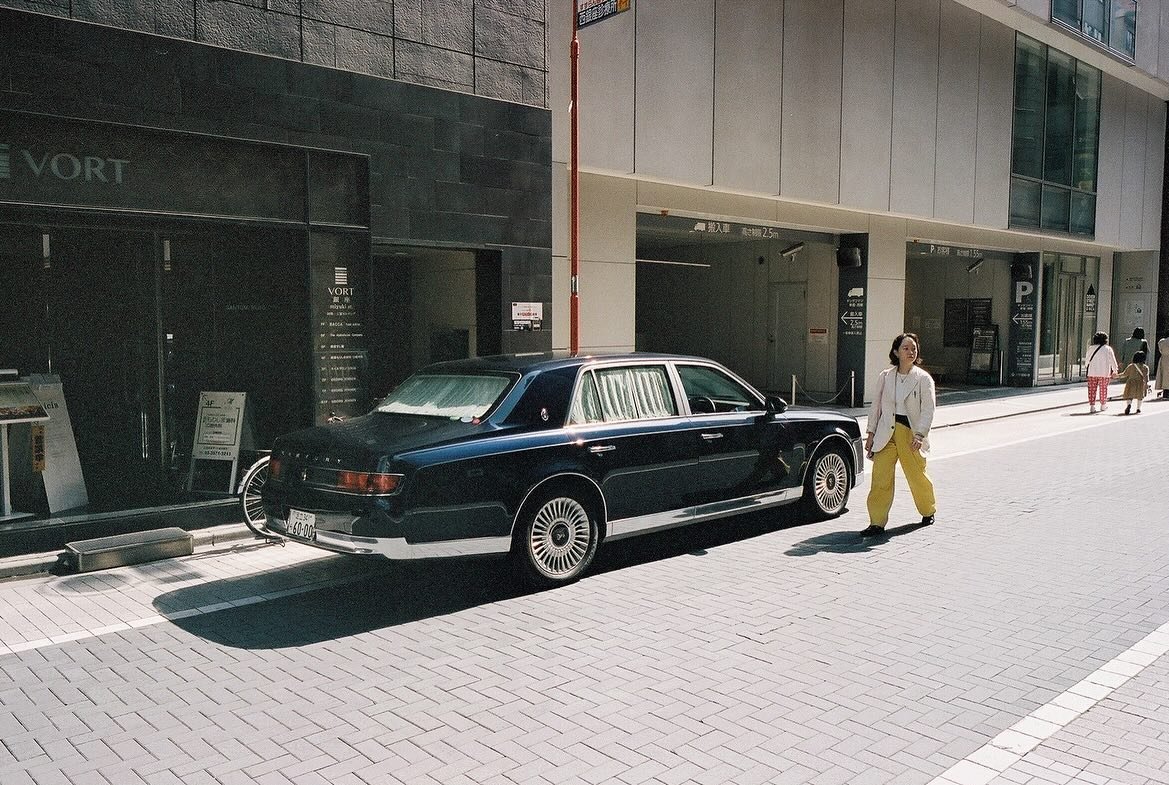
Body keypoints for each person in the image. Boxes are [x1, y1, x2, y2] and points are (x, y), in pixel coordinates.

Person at [861, 333, 936, 537]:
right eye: (906, 348)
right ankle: (876, 522)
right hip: (886, 431)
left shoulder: (923, 379)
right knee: (880, 478)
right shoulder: (886, 376)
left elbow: (928, 409)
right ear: (896, 352)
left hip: (910, 433)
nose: (911, 352)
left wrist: (920, 435)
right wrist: (871, 433)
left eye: (914, 348)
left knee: (916, 475)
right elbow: (875, 407)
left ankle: (928, 510)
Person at [1084, 331, 1118, 414]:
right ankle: (1103, 405)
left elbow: (1087, 360)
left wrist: (1086, 367)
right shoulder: (1108, 349)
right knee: (1103, 389)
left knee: (1092, 390)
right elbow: (1113, 360)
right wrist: (1115, 370)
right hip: (1104, 372)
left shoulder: (1091, 348)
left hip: (1092, 372)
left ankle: (1092, 406)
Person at [1115, 350, 1150, 415]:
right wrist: (1146, 384)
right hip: (1140, 383)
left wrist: (1117, 376)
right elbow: (1146, 377)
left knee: (1129, 396)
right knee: (1140, 396)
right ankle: (1138, 408)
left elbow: (1125, 374)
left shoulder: (1131, 366)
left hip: (1130, 382)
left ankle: (1129, 405)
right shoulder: (1145, 367)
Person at [1157, 333, 1169, 400]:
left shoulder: (1162, 341)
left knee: (1164, 376)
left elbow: (1160, 350)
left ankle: (1166, 393)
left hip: (1164, 359)